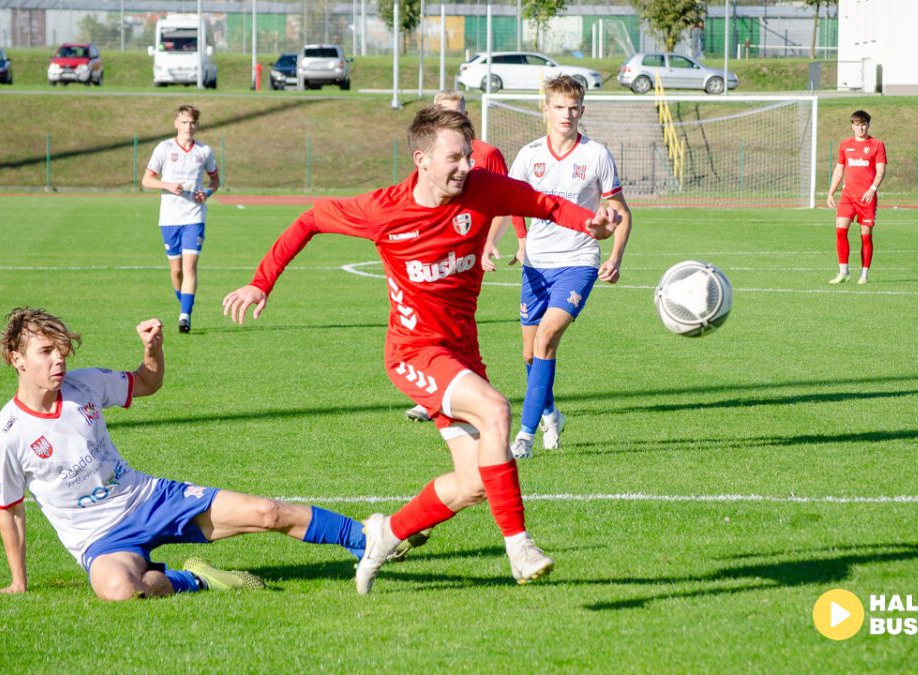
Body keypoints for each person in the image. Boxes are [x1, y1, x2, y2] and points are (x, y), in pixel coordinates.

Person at [222, 107, 621, 595]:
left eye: (468, 156)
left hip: (462, 354)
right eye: (454, 158)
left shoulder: (484, 189)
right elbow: (311, 219)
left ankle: (385, 535)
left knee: (474, 484)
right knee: (496, 409)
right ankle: (519, 547)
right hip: (413, 352)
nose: (466, 166)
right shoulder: (384, 209)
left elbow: (546, 204)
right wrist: (261, 282)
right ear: (421, 160)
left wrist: (590, 222)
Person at [0, 308, 369, 601]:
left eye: (61, 351)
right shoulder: (9, 435)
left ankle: (368, 540)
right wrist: (18, 581)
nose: (59, 360)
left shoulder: (85, 384)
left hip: (149, 498)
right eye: (46, 352)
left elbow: (147, 382)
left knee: (268, 512)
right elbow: (10, 509)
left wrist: (152, 350)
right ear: (16, 359)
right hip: (100, 539)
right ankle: (196, 578)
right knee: (122, 591)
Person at [485, 75, 633, 460]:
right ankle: (551, 414)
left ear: (582, 111)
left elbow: (621, 212)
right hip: (536, 264)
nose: (566, 114)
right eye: (559, 107)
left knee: (547, 338)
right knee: (530, 353)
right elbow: (507, 203)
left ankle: (524, 437)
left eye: (573, 108)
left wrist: (615, 257)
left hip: (578, 262)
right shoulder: (529, 154)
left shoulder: (596, 154)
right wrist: (491, 242)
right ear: (545, 109)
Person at [404, 89, 511, 424]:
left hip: (466, 256)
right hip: (432, 253)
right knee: (429, 320)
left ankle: (453, 394)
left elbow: (509, 202)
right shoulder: (432, 155)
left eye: (458, 113)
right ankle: (436, 393)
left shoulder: (487, 154)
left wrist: (495, 241)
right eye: (445, 112)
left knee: (457, 323)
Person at [142, 105, 221, 334]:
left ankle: (185, 316)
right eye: (184, 122)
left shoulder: (204, 151)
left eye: (192, 123)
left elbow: (215, 180)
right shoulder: (164, 148)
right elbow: (147, 180)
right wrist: (167, 185)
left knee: (189, 266)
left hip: (194, 216)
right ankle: (185, 302)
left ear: (197, 125)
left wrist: (207, 193)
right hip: (169, 218)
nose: (188, 126)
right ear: (176, 123)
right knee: (176, 270)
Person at [826, 110, 887, 285]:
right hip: (848, 196)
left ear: (868, 125)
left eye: (863, 124)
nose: (860, 128)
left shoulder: (877, 145)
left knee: (865, 236)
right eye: (857, 124)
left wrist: (872, 189)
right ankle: (843, 272)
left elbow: (881, 171)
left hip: (867, 198)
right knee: (840, 230)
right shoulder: (845, 145)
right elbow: (839, 170)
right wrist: (831, 192)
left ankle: (864, 275)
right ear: (852, 126)